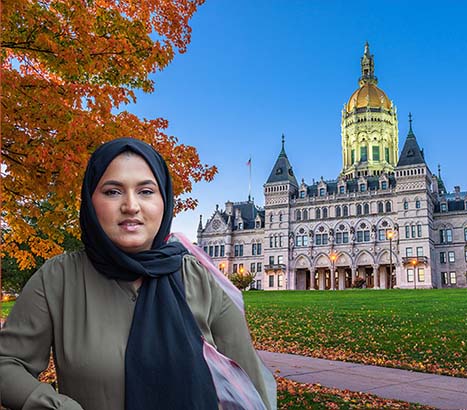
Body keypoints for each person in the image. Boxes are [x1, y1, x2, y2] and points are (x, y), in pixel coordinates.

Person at [0, 138, 276, 409]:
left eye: (146, 191)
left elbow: (251, 389)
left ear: (164, 201)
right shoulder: (59, 278)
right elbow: (7, 363)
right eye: (112, 191)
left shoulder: (199, 279)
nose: (131, 205)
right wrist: (51, 405)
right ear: (89, 200)